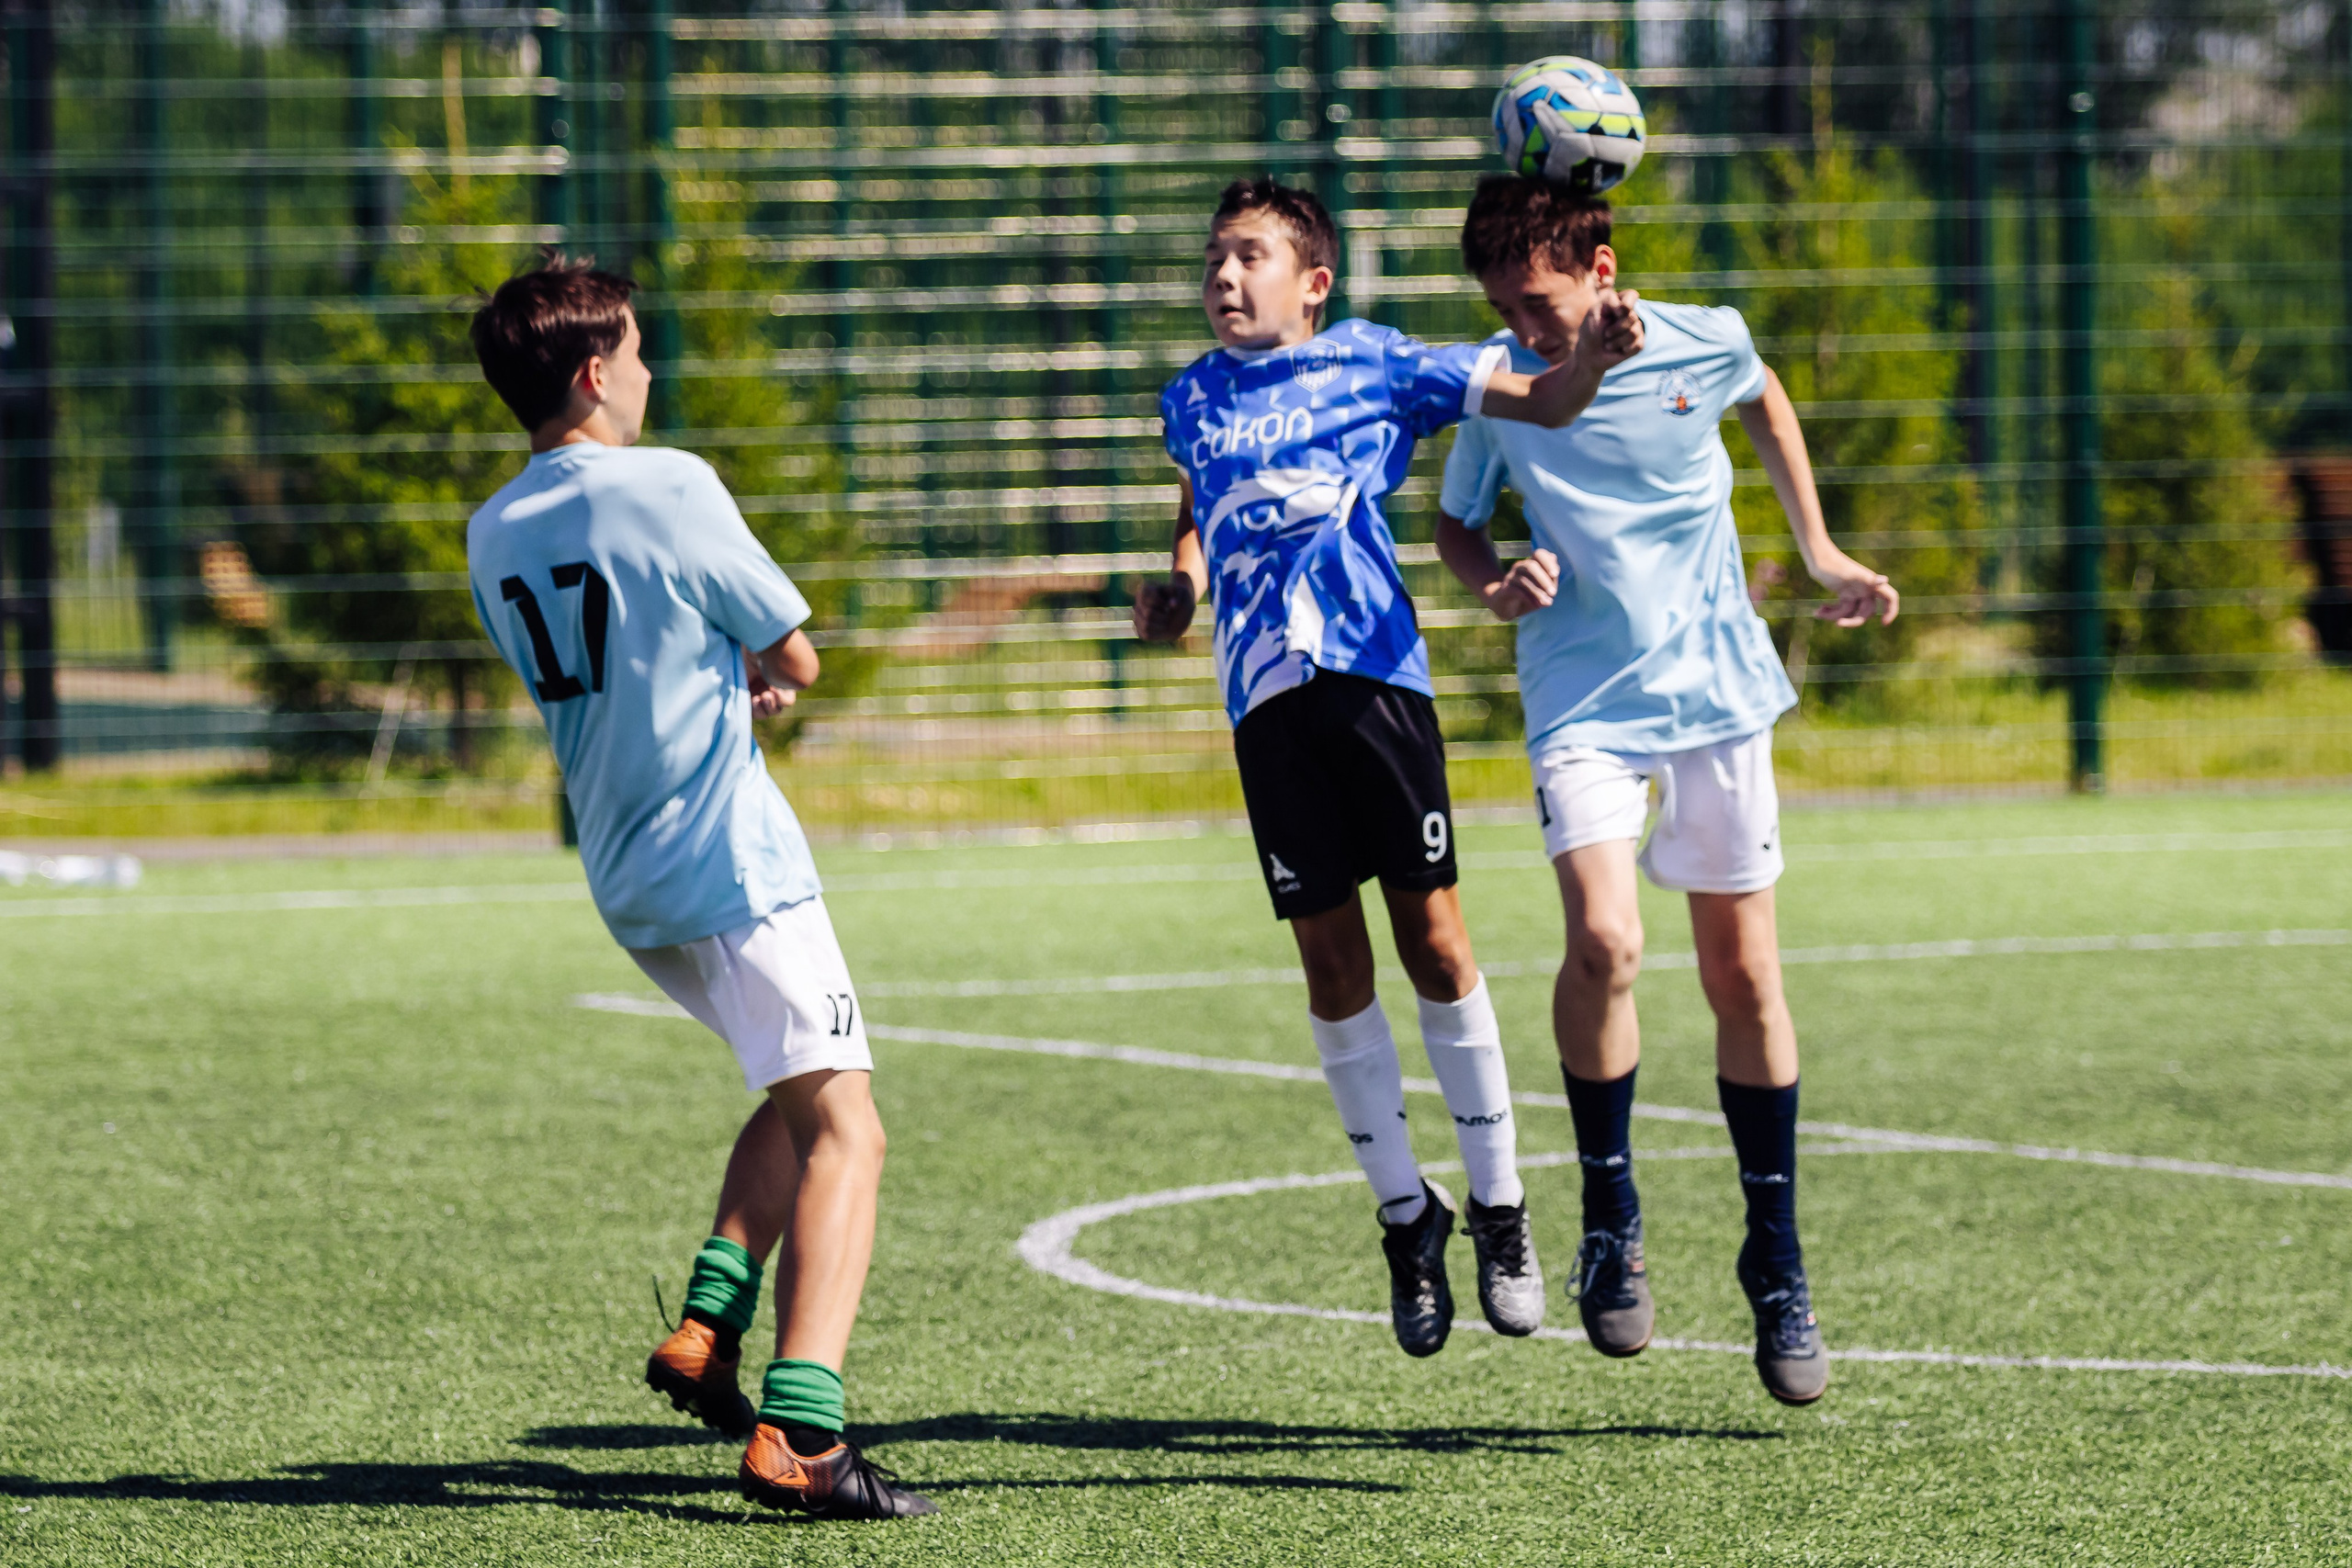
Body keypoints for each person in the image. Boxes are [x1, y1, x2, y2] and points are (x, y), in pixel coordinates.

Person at [1132, 177, 1643, 1357]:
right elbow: (1198, 504)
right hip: (1265, 704)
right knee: (1328, 958)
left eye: (1248, 257)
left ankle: (1501, 1207)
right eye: (1213, 259)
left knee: (1437, 940)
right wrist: (1183, 587)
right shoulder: (1189, 400)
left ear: (1311, 283)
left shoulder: (1373, 362)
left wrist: (1595, 362)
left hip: (1373, 683)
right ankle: (1408, 1219)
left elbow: (1545, 400)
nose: (1222, 278)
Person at [464, 257, 932, 1518]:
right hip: (729, 859)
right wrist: (762, 673)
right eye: (637, 348)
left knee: (791, 1094)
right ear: (594, 372)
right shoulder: (668, 482)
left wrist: (726, 683)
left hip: (625, 876)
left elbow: (636, 666)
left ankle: (708, 1323)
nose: (650, 370)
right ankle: (805, 1431)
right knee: (851, 1129)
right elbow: (798, 652)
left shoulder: (492, 529)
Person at [1435, 177, 1900, 1404]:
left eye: (1537, 302)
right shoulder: (1498, 379)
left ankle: (1777, 1255)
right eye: (1502, 308)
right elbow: (1457, 524)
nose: (1523, 328)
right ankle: (1610, 1202)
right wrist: (1495, 583)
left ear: (1601, 265)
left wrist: (1820, 550)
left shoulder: (1708, 337)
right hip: (1582, 694)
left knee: (1746, 975)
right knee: (1605, 938)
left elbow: (1766, 403)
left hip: (1717, 691)